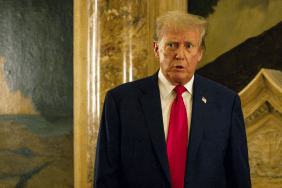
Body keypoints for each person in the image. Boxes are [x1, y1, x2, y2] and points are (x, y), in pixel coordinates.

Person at [93, 11, 251, 188]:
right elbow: (106, 178)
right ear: (156, 49)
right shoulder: (121, 102)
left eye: (189, 46)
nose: (180, 54)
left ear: (199, 53)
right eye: (171, 45)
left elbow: (239, 178)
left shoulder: (226, 103)